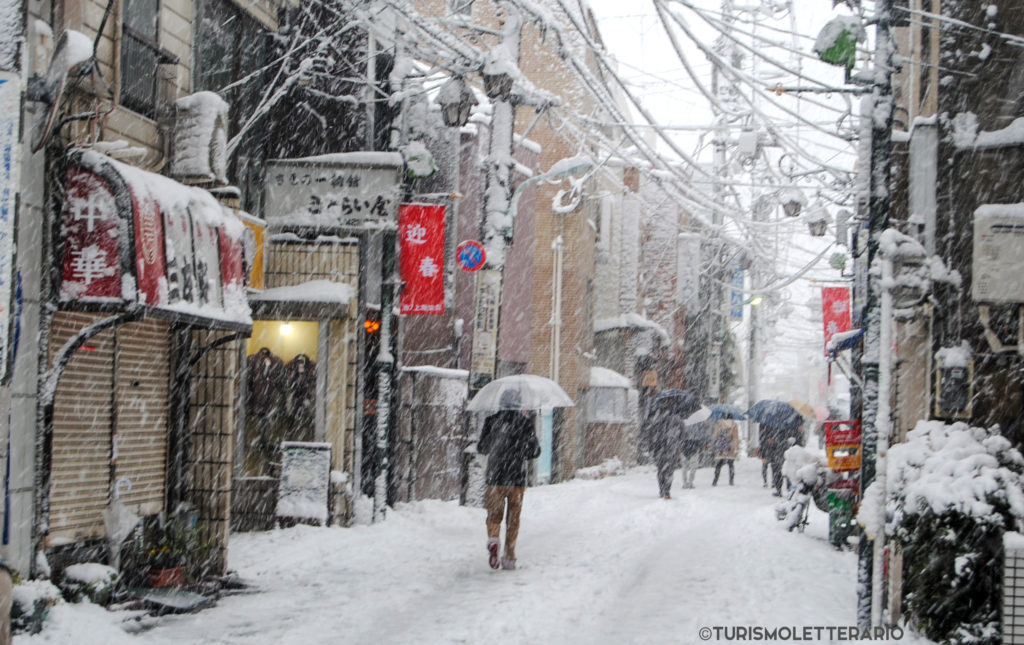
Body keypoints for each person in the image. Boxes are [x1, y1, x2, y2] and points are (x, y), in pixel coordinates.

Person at [477, 390, 541, 571]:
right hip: (517, 480)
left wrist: (496, 444)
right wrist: (521, 450)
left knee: (494, 517)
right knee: (513, 520)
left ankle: (494, 539)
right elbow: (535, 452)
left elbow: (482, 447)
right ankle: (509, 557)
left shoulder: (491, 421)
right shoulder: (525, 423)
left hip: (495, 479)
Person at [644, 398, 685, 499]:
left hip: (659, 449)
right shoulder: (678, 420)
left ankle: (661, 489)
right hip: (672, 449)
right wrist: (679, 443)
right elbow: (683, 435)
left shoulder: (656, 420)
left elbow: (651, 435)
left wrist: (651, 448)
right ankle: (667, 490)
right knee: (670, 471)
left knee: (661, 470)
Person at [710, 418, 740, 486]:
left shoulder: (719, 424)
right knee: (731, 465)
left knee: (719, 465)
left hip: (721, 448)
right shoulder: (734, 424)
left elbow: (715, 435)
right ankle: (731, 480)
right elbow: (736, 438)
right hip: (730, 448)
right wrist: (736, 448)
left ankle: (715, 480)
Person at [679, 420, 704, 489]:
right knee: (693, 467)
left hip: (684, 446)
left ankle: (684, 483)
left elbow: (679, 435)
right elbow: (701, 435)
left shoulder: (682, 422)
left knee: (684, 467)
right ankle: (690, 482)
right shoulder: (697, 422)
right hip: (694, 446)